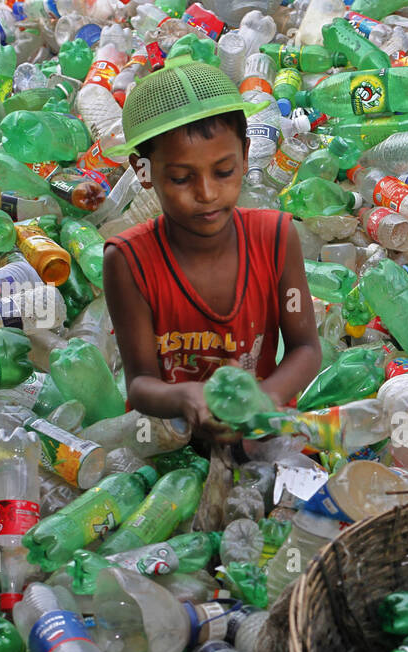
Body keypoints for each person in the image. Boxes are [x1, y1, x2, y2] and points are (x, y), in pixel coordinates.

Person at [102, 54, 322, 445]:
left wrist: (263, 400)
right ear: (143, 171)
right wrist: (183, 397)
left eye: (224, 172)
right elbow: (139, 384)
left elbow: (305, 347)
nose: (206, 194)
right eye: (182, 178)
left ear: (245, 153)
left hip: (258, 431)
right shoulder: (128, 262)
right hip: (169, 440)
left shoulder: (275, 237)